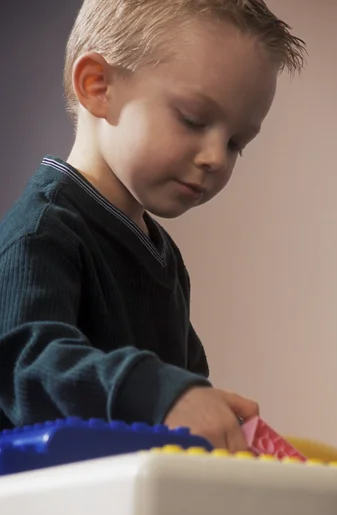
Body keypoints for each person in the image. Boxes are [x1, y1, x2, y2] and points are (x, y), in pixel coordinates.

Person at [0, 0, 306, 451]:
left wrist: (207, 415)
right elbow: (20, 363)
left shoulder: (162, 257)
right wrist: (157, 394)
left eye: (237, 142)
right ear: (98, 86)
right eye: (193, 120)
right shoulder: (44, 231)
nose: (215, 158)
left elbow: (184, 385)